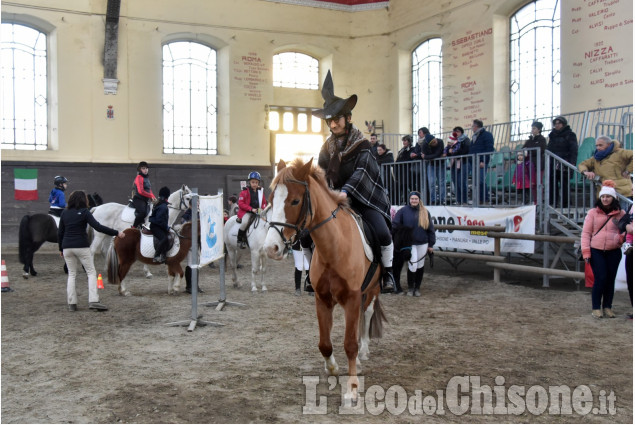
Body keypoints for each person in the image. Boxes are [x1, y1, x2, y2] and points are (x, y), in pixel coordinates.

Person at [312, 70, 394, 292]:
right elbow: (320, 172)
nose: (333, 125)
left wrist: (345, 192)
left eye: (336, 120)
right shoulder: (326, 147)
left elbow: (362, 173)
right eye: (329, 121)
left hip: (363, 200)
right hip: (335, 199)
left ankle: (388, 274)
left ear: (348, 118)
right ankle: (315, 276)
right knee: (309, 233)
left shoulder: (363, 145)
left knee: (382, 233)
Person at [58, 190, 125, 311]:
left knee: (72, 274)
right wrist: (116, 232)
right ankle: (93, 300)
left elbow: (60, 232)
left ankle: (72, 303)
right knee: (91, 273)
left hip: (67, 247)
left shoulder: (64, 213)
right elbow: (98, 227)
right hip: (81, 246)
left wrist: (60, 249)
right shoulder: (85, 212)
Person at [581, 180, 625, 319]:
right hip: (596, 249)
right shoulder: (593, 213)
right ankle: (596, 307)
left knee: (610, 279)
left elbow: (625, 230)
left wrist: (620, 238)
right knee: (601, 277)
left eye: (608, 197)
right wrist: (586, 251)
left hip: (613, 250)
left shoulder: (621, 213)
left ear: (613, 198)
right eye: (603, 197)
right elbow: (586, 233)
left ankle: (607, 306)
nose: (605, 199)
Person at [392, 191, 435, 297]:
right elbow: (395, 224)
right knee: (413, 264)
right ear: (409, 199)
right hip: (409, 244)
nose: (414, 200)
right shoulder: (403, 211)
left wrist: (431, 244)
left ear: (419, 200)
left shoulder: (425, 212)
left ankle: (417, 288)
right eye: (412, 199)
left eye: (416, 199)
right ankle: (411, 288)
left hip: (423, 242)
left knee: (420, 265)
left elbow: (430, 229)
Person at [578, 136, 633, 209]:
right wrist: (586, 172)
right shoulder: (596, 157)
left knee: (624, 216)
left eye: (600, 145)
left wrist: (628, 170)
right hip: (606, 194)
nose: (598, 148)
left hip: (622, 192)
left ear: (609, 145)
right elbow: (582, 164)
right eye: (596, 145)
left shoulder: (620, 152)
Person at [547, 116, 578, 208]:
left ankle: (566, 204)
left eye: (559, 123)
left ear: (563, 124)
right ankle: (553, 202)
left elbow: (574, 149)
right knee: (552, 183)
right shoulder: (552, 135)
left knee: (565, 184)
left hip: (565, 162)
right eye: (555, 123)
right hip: (553, 162)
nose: (557, 125)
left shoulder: (570, 134)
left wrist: (572, 162)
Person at [237, 172, 267, 249]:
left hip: (258, 211)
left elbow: (264, 203)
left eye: (256, 182)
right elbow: (240, 203)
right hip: (247, 212)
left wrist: (263, 209)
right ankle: (240, 240)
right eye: (253, 182)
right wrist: (251, 209)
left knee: (266, 222)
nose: (255, 184)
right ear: (249, 182)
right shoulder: (244, 192)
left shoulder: (260, 192)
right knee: (245, 222)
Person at [416, 128, 446, 204]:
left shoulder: (440, 141)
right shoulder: (425, 145)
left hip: (440, 164)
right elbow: (436, 155)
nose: (435, 142)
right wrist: (430, 156)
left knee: (441, 182)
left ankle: (442, 199)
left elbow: (437, 153)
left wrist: (427, 156)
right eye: (433, 142)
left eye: (435, 140)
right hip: (431, 165)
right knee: (431, 183)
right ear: (429, 144)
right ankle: (433, 199)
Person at [469, 119, 495, 204]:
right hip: (474, 161)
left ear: (476, 126)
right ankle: (478, 199)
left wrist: (483, 161)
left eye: (472, 126)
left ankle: (484, 199)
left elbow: (489, 149)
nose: (472, 128)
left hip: (481, 161)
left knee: (480, 180)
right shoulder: (474, 136)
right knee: (476, 181)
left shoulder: (487, 135)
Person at [149, 186, 171, 263]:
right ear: (167, 196)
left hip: (158, 225)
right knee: (164, 238)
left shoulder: (160, 203)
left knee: (169, 237)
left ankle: (163, 255)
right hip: (156, 226)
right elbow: (160, 220)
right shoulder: (163, 207)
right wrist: (167, 228)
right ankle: (156, 256)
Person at [618, 204, 633, 318]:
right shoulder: (632, 206)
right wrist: (627, 226)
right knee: (631, 279)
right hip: (631, 248)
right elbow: (621, 223)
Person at [131, 161, 156, 228]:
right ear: (140, 169)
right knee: (143, 212)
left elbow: (149, 190)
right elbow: (141, 191)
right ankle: (134, 227)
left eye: (146, 168)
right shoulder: (139, 177)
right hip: (138, 199)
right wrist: (150, 196)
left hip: (145, 200)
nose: (145, 170)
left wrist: (154, 197)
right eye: (143, 168)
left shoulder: (147, 178)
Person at [396, 134, 419, 203]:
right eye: (403, 141)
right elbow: (398, 159)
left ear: (409, 141)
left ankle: (414, 200)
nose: (404, 142)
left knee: (411, 186)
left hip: (409, 171)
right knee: (404, 186)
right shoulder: (402, 150)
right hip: (402, 171)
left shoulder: (412, 149)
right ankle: (406, 201)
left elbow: (408, 158)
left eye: (405, 141)